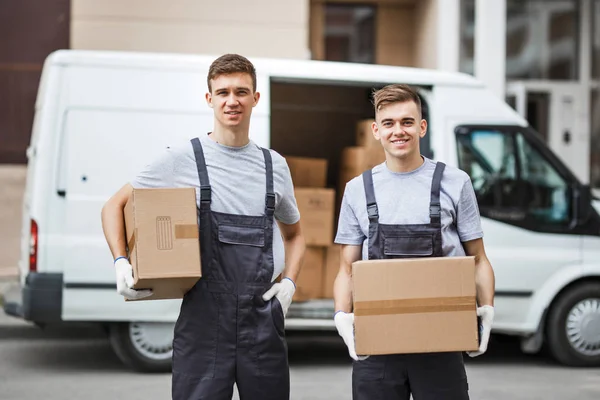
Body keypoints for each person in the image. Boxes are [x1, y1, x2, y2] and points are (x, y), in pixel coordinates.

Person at [101, 53, 305, 400]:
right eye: (222, 92)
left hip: (261, 324)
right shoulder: (182, 159)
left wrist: (288, 284)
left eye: (241, 92)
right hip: (204, 327)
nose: (232, 100)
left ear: (256, 99)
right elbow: (113, 206)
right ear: (209, 99)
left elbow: (296, 234)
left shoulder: (275, 166)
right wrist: (121, 262)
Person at [332, 84, 495, 400]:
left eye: (407, 122)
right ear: (376, 131)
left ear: (422, 127)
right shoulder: (357, 190)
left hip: (441, 343)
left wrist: (486, 307)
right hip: (375, 346)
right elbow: (346, 269)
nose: (399, 131)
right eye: (389, 124)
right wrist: (342, 315)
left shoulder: (455, 182)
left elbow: (478, 259)